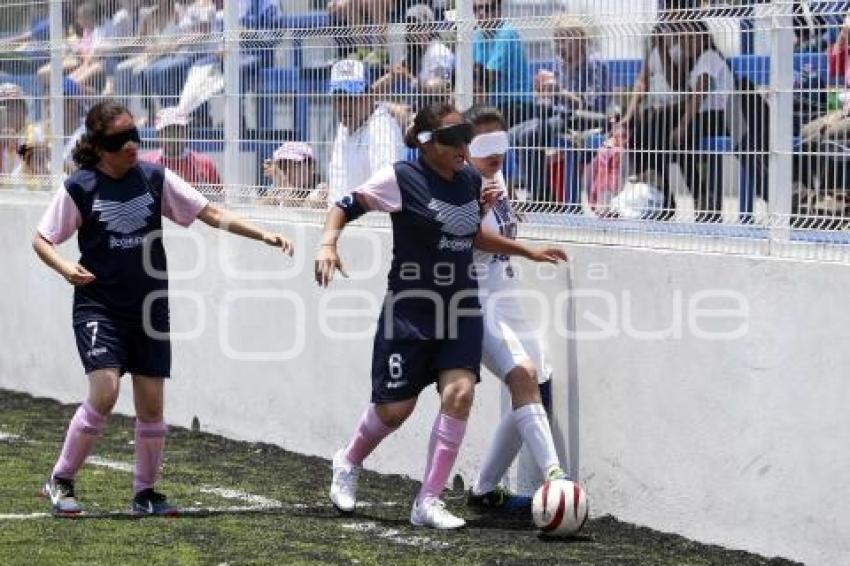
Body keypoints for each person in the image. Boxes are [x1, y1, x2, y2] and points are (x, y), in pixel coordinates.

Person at [33, 100, 294, 516]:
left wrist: (262, 234)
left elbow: (207, 212)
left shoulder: (155, 179)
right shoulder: (80, 187)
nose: (132, 145)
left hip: (149, 307)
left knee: (152, 404)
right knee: (105, 391)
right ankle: (61, 479)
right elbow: (42, 239)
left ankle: (145, 494)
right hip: (99, 306)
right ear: (100, 146)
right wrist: (66, 267)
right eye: (120, 139)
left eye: (135, 135)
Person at [315, 102, 567, 529]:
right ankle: (349, 460)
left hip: (461, 305)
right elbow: (346, 203)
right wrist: (327, 244)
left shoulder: (470, 180)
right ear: (428, 143)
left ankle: (427, 501)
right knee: (395, 410)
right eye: (453, 139)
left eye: (466, 138)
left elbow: (472, 235)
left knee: (460, 395)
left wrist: (528, 250)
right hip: (411, 309)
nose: (463, 147)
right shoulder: (401, 177)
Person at [462, 106, 570, 509]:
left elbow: (501, 225)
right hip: (476, 297)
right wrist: (529, 250)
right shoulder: (463, 183)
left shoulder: (497, 175)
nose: (495, 154)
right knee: (522, 375)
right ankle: (557, 480)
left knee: (539, 381)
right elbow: (473, 239)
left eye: (500, 143)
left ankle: (484, 491)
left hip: (506, 292)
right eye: (484, 144)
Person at [326, 58, 405, 205]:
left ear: (370, 95)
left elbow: (384, 193)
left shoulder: (382, 129)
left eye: (353, 97)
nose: (345, 106)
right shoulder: (344, 127)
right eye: (339, 98)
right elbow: (337, 184)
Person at [472, 0, 533, 126]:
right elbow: (475, 77)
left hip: (516, 104)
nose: (481, 13)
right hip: (493, 106)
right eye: (476, 9)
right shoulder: (476, 34)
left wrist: (468, 74)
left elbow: (487, 78)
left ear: (499, 10)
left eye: (488, 8)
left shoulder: (507, 33)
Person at [139, 107, 223, 198]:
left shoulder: (203, 162)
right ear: (158, 134)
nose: (173, 135)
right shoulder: (145, 163)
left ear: (186, 132)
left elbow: (221, 193)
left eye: (178, 129)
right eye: (168, 130)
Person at [261, 141, 326, 207]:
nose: (287, 171)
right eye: (283, 166)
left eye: (293, 166)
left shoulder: (321, 190)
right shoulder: (283, 188)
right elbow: (260, 206)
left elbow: (309, 206)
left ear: (311, 166)